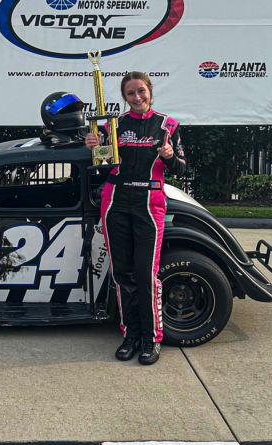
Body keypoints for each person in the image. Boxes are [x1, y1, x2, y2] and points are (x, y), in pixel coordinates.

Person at [85, 71, 186, 365]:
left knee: (145, 274)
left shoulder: (168, 125)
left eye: (141, 91)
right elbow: (101, 166)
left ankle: (151, 339)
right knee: (122, 273)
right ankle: (129, 335)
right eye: (131, 94)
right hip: (116, 200)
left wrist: (168, 154)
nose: (137, 97)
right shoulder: (113, 126)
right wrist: (93, 146)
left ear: (150, 91)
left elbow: (179, 169)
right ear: (125, 98)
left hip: (149, 201)